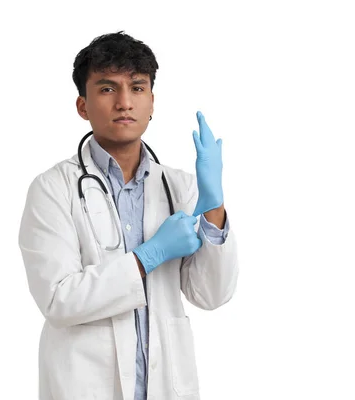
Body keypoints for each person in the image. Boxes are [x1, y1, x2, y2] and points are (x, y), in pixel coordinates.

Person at [18, 31, 238, 400]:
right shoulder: (53, 189)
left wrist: (214, 205)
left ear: (152, 101)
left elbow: (211, 295)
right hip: (85, 386)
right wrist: (148, 256)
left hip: (167, 385)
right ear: (82, 105)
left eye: (137, 88)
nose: (124, 102)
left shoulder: (181, 188)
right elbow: (58, 300)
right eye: (107, 89)